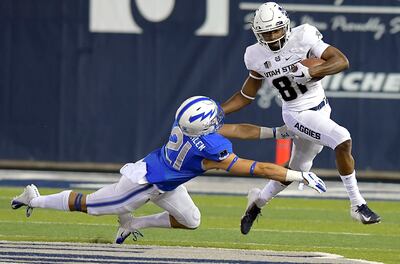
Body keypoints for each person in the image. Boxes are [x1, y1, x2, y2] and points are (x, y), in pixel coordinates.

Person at [11, 96, 326, 244]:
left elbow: (238, 129)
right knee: (90, 206)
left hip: (168, 181)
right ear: (204, 128)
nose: (219, 122)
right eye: (214, 121)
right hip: (142, 183)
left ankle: (131, 223)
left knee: (191, 220)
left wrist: (277, 132)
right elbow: (257, 168)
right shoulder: (209, 150)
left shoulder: (187, 125)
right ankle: (34, 198)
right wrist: (299, 175)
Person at [221, 2, 381, 235]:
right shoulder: (255, 55)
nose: (272, 36)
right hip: (296, 113)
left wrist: (313, 71)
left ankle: (256, 203)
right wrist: (218, 111)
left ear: (285, 26)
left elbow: (341, 61)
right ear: (258, 33)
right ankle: (358, 204)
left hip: (321, 108)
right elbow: (246, 95)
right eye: (266, 32)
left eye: (276, 30)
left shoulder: (303, 36)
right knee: (342, 138)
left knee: (297, 168)